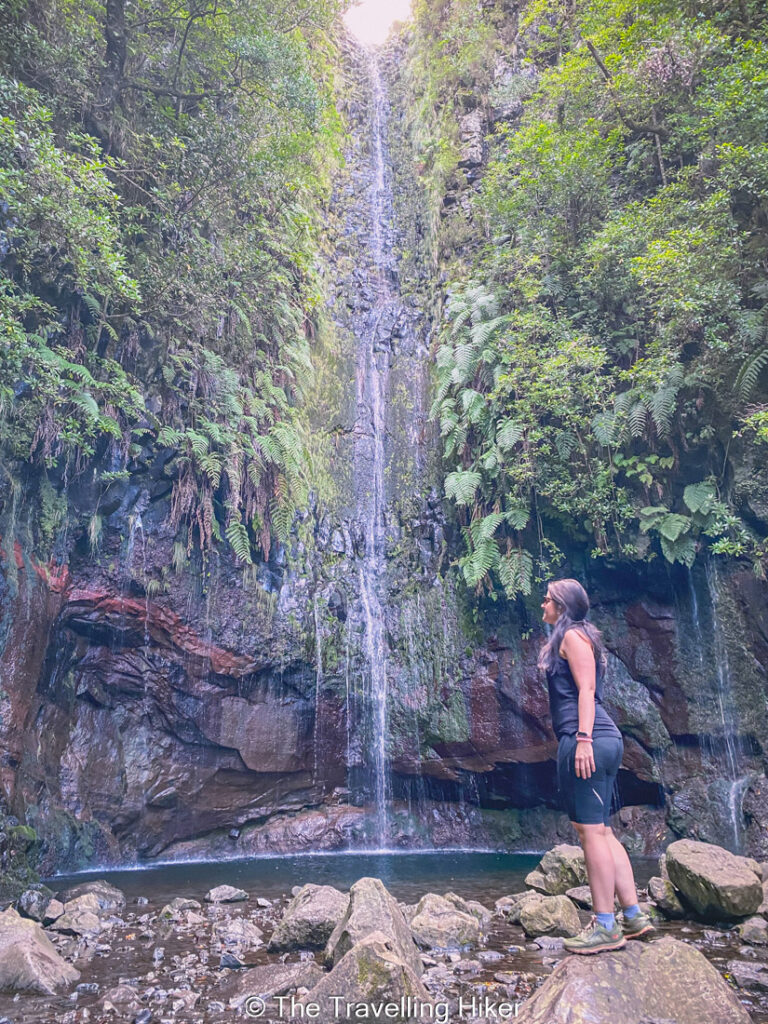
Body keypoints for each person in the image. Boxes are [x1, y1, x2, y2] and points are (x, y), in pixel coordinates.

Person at [539, 578, 655, 954]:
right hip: (598, 738)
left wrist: (584, 739)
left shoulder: (572, 635)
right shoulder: (574, 636)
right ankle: (633, 915)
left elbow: (586, 690)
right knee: (601, 831)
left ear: (563, 606)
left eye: (548, 600)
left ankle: (606, 926)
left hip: (590, 738)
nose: (543, 605)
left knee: (590, 833)